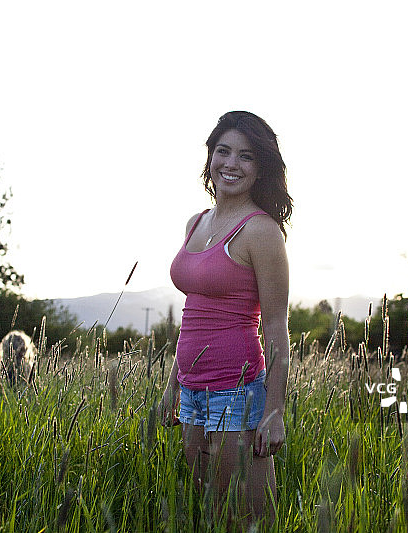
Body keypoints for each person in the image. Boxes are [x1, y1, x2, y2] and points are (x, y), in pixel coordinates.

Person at [160, 111, 292, 526]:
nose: (231, 164)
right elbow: (194, 316)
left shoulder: (262, 232)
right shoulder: (195, 223)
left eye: (246, 156)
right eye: (223, 151)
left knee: (250, 517)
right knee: (211, 512)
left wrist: (274, 411)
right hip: (192, 392)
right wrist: (172, 388)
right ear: (210, 157)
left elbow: (274, 328)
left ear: (261, 167)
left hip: (237, 393)